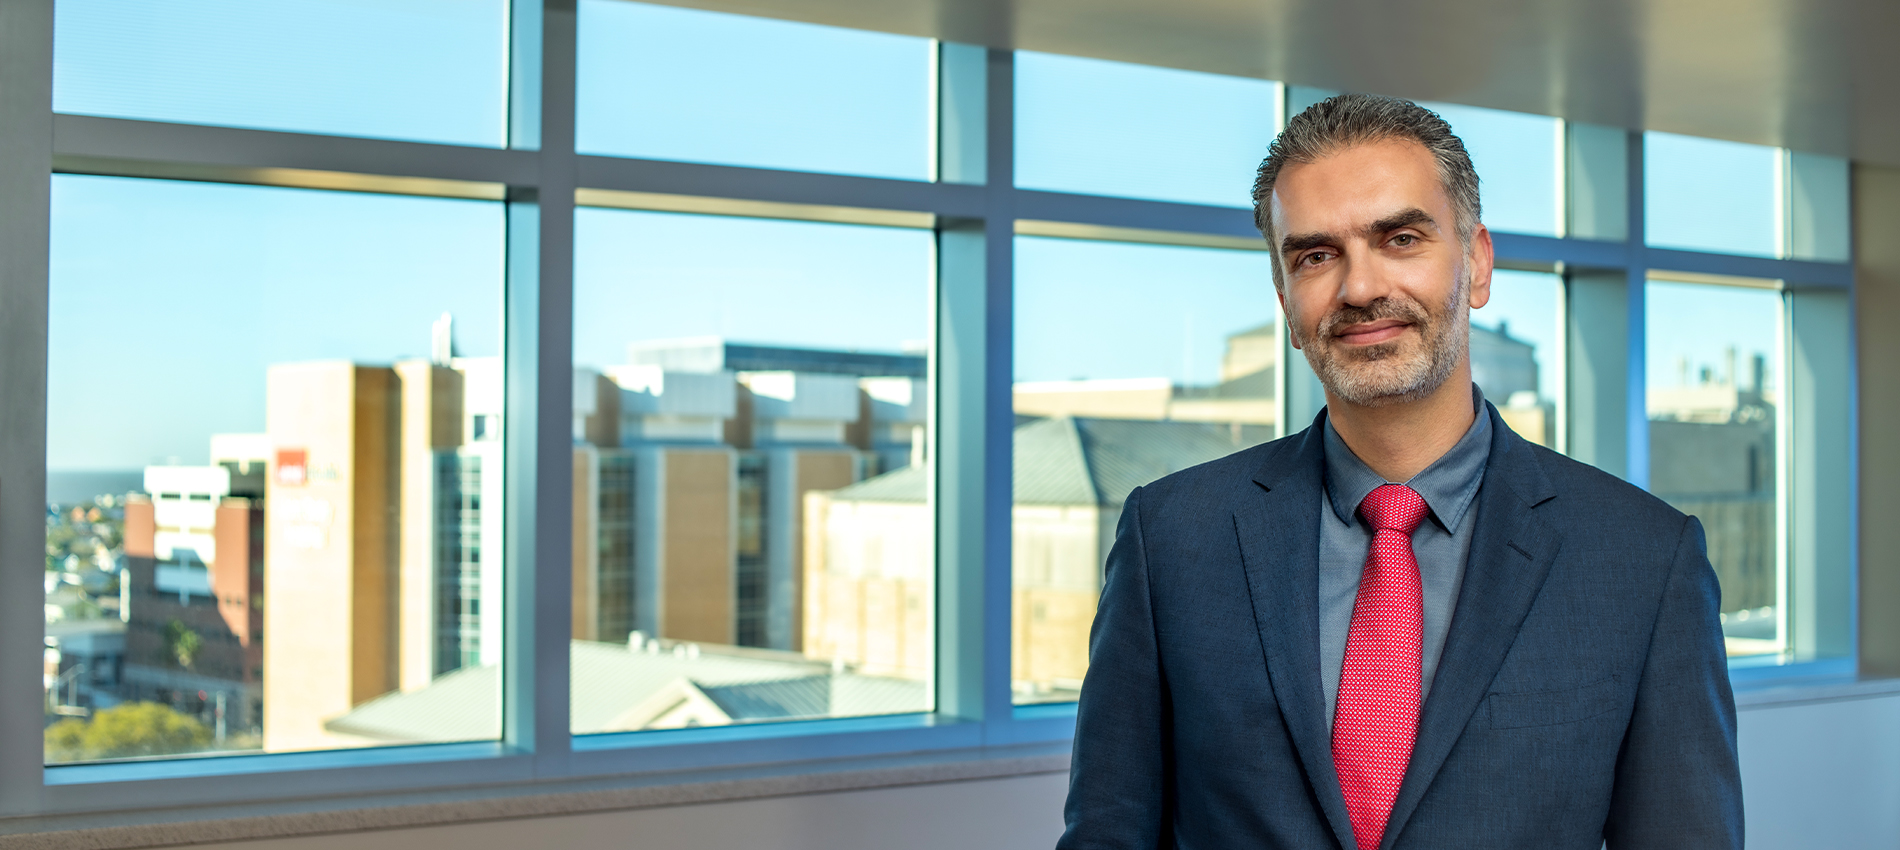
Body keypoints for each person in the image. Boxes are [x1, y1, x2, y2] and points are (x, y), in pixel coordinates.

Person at [1056, 94, 1743, 850]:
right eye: (1316, 256)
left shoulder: (1643, 560)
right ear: (1285, 299)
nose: (1359, 288)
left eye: (1401, 238)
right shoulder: (1172, 539)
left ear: (1477, 262)